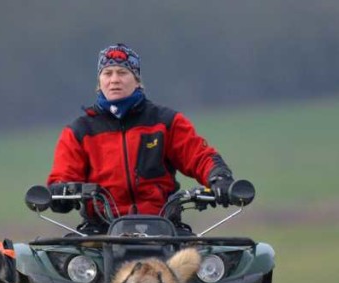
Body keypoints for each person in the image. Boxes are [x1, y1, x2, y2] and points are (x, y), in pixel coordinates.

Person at [47, 43, 236, 233]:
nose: (114, 80)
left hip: (163, 229)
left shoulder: (166, 122)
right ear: (99, 82)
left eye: (122, 73)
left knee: (208, 261)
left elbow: (199, 156)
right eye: (108, 73)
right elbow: (63, 176)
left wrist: (219, 177)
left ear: (137, 80)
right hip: (101, 233)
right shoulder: (79, 131)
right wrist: (59, 191)